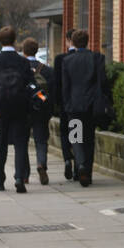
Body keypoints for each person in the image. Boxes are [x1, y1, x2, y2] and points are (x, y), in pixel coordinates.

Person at [0, 26, 35, 192]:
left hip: (2, 108)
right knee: (21, 143)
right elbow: (31, 86)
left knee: (1, 144)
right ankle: (20, 177)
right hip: (20, 107)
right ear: (15, 41)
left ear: (0, 41)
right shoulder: (23, 62)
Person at [60, 29, 109, 187]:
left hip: (74, 107)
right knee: (89, 139)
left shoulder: (67, 61)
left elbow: (65, 86)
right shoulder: (97, 58)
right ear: (88, 41)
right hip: (92, 106)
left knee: (76, 137)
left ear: (72, 42)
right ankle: (87, 172)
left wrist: (66, 104)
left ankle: (80, 164)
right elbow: (103, 83)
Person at [22, 38, 54, 185]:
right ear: (36, 51)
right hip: (41, 111)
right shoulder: (46, 70)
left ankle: (25, 174)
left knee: (22, 141)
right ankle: (41, 165)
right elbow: (52, 92)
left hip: (25, 111)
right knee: (41, 140)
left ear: (24, 51)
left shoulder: (20, 68)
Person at [53, 30, 77, 179]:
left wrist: (57, 103)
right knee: (76, 134)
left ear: (68, 40)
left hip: (64, 104)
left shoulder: (60, 59)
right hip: (78, 105)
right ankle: (77, 163)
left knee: (64, 133)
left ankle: (67, 158)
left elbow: (56, 83)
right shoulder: (85, 57)